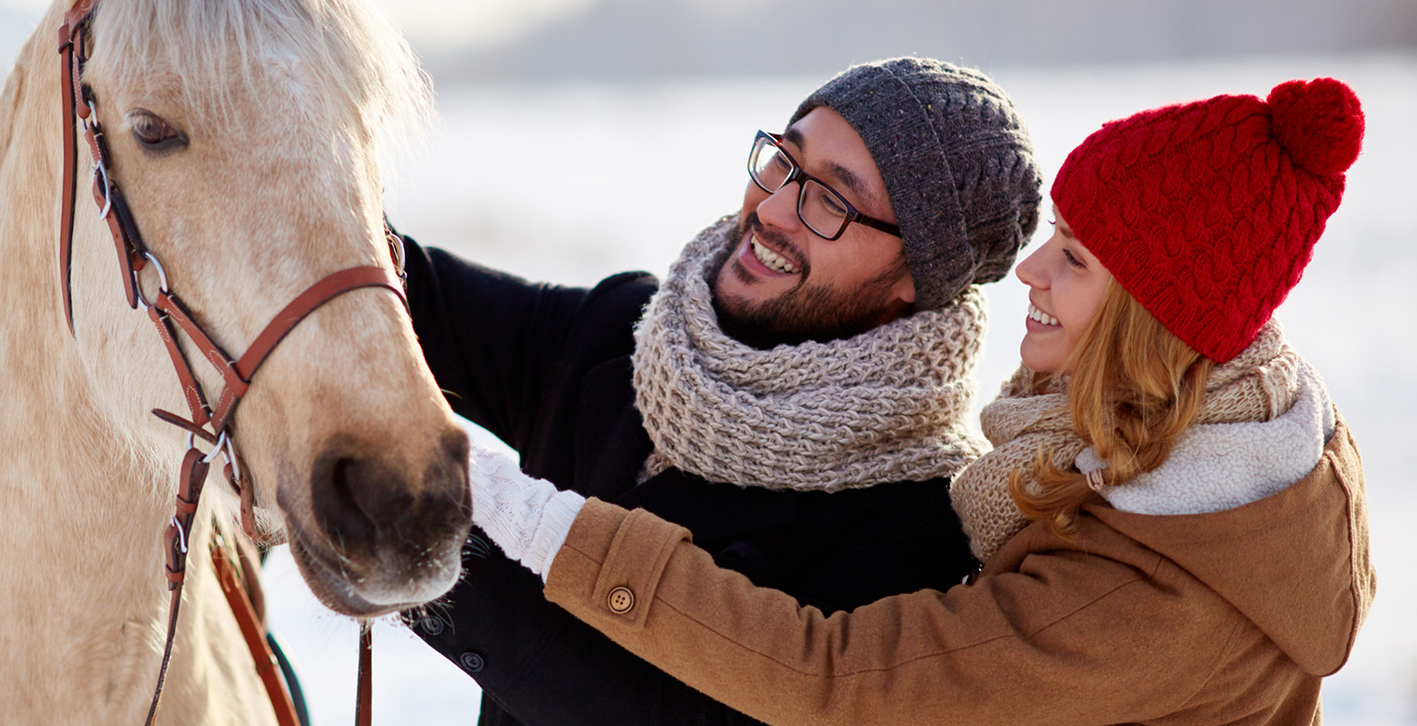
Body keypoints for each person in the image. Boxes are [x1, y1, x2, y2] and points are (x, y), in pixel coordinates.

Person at [469, 78, 1375, 724]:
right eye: (1054, 235)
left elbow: (835, 679)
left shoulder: (1137, 599)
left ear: (1150, 320)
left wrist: (527, 526)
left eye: (1075, 258)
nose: (1028, 270)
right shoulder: (1177, 449)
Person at [396, 57, 1041, 724]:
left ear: (917, 278)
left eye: (830, 200)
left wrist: (415, 534)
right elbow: (393, 289)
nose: (775, 209)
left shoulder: (915, 522)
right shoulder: (622, 334)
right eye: (783, 162)